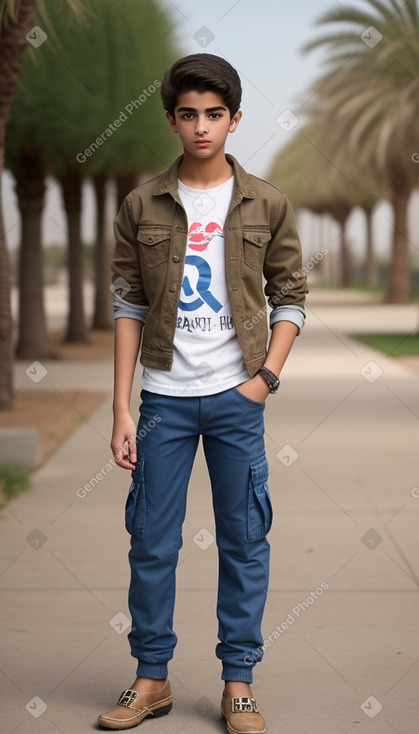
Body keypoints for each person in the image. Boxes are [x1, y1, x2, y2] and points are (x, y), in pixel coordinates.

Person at [98, 53, 308, 733]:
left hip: (234, 400)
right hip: (162, 400)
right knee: (150, 543)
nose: (200, 126)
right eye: (187, 114)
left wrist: (263, 380)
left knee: (244, 540)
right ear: (170, 119)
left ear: (234, 119)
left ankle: (237, 684)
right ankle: (150, 680)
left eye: (213, 114)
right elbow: (127, 302)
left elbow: (291, 298)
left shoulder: (266, 202)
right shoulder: (142, 203)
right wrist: (121, 405)